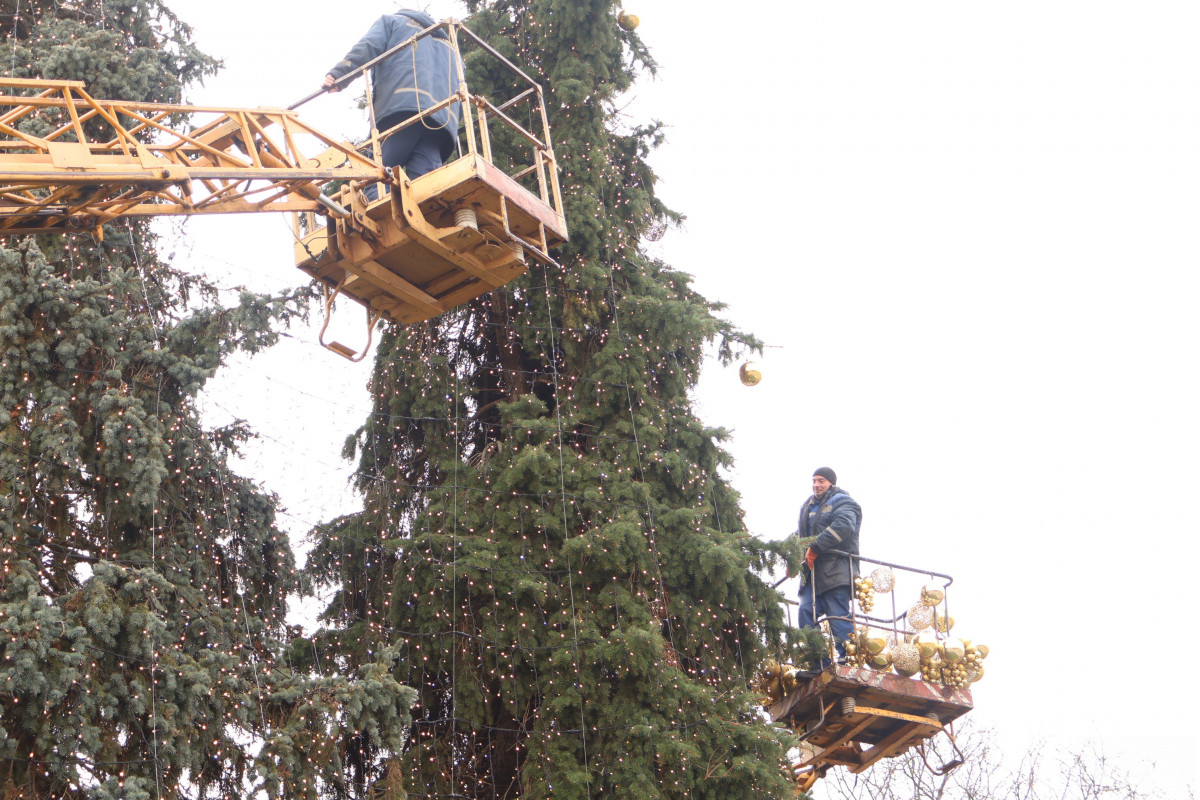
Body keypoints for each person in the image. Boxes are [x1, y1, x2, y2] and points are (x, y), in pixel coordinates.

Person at [323, 9, 462, 180]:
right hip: (443, 121)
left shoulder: (393, 22)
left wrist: (338, 75)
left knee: (374, 177)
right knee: (427, 185)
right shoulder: (451, 48)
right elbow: (460, 88)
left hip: (404, 107)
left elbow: (367, 47)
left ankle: (375, 202)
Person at [795, 467, 861, 663]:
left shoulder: (843, 501)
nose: (816, 485)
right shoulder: (808, 506)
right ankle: (818, 663)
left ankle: (849, 659)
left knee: (837, 616)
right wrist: (791, 556)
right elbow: (800, 536)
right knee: (805, 612)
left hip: (835, 571)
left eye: (821, 481)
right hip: (812, 575)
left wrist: (815, 548)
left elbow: (844, 525)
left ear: (831, 482)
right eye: (814, 481)